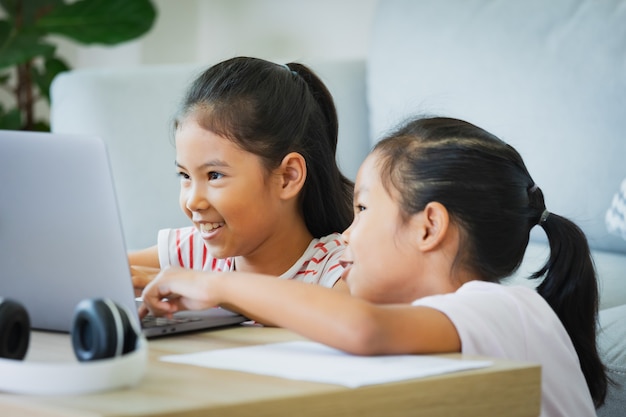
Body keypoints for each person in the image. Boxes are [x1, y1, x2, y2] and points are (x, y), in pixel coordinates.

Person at [141, 116, 608, 416]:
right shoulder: (430, 326)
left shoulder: (505, 308)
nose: (346, 234)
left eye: (362, 210)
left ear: (429, 227)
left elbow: (364, 329)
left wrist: (215, 285)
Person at [129, 57, 354, 300]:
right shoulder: (194, 252)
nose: (193, 202)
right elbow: (102, 272)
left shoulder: (337, 267)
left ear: (287, 177)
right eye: (185, 175)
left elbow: (344, 317)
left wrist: (211, 289)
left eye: (214, 175)